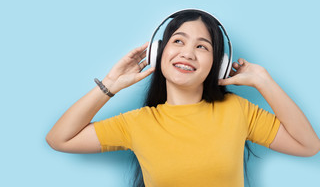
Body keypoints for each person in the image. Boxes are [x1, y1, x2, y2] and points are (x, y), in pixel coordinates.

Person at [46, 10, 320, 187]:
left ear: (218, 64)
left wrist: (264, 82)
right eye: (178, 41)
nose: (187, 53)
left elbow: (308, 146)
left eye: (202, 46)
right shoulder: (137, 123)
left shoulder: (238, 110)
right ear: (158, 53)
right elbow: (59, 139)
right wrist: (109, 85)